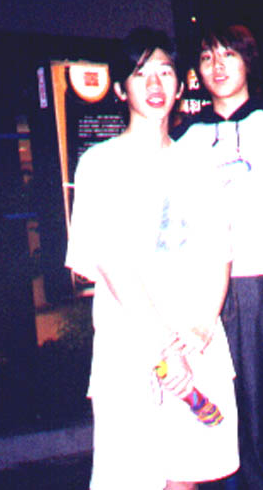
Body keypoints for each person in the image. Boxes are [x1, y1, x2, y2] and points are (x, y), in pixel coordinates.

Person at [65, 28, 238, 490]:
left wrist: (201, 330)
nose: (156, 84)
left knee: (186, 479)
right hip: (132, 346)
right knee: (133, 478)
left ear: (180, 85)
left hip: (195, 343)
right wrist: (165, 348)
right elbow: (111, 263)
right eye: (141, 74)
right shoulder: (100, 164)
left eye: (165, 72)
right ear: (121, 89)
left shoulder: (199, 163)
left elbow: (220, 254)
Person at [174, 24, 263, 489]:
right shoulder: (184, 133)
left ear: (248, 62)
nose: (217, 66)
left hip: (258, 279)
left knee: (260, 407)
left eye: (228, 55)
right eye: (207, 57)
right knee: (208, 404)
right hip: (200, 289)